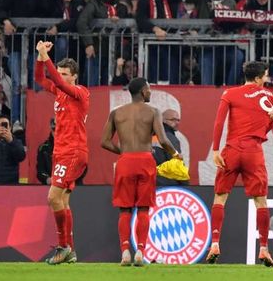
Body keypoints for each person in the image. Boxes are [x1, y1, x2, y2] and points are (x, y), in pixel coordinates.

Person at [207, 61, 273, 266]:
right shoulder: (268, 95)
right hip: (253, 151)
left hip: (232, 150)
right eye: (266, 76)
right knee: (260, 201)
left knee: (220, 197)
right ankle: (263, 249)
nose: (267, 79)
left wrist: (215, 149)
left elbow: (218, 122)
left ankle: (214, 244)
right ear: (259, 78)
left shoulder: (230, 93)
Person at [100, 77, 180, 266]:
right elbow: (163, 140)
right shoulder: (153, 112)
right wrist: (176, 154)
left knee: (125, 209)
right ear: (143, 91)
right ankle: (140, 252)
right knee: (143, 208)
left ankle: (125, 252)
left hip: (125, 162)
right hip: (145, 161)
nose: (150, 92)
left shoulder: (116, 112)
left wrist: (124, 152)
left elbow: (104, 141)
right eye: (149, 89)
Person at [34, 40, 90, 265]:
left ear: (74, 76)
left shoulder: (80, 92)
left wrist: (45, 56)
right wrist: (40, 57)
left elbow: (55, 80)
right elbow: (40, 79)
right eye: (60, 73)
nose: (61, 76)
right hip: (61, 151)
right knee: (63, 201)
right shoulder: (59, 91)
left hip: (73, 151)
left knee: (52, 197)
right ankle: (71, 250)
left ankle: (63, 246)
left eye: (65, 74)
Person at [152, 109, 187, 186]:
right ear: (163, 120)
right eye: (173, 120)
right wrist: (185, 184)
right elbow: (176, 164)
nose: (177, 123)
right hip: (166, 183)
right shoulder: (169, 137)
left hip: (150, 181)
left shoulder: (151, 136)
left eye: (178, 120)